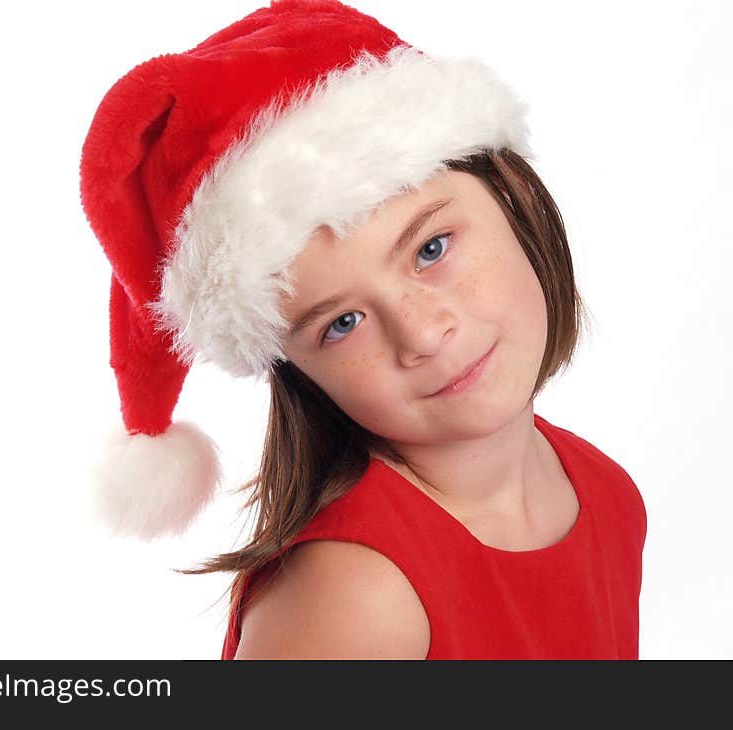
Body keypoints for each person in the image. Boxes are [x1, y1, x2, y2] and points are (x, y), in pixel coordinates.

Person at [79, 0, 647, 659]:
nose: (423, 334)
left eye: (431, 249)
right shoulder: (354, 596)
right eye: (342, 323)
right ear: (297, 368)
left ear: (514, 196)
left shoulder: (605, 491)